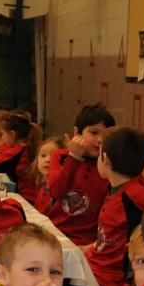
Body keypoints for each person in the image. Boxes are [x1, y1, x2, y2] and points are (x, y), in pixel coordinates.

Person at [85, 126, 144, 286]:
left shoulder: (137, 196)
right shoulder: (120, 189)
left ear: (105, 159)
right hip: (97, 274)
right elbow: (107, 240)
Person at [46, 103, 114, 244]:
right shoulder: (61, 156)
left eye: (105, 135)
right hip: (54, 234)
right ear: (77, 133)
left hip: (86, 242)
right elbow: (56, 192)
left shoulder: (108, 165)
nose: (100, 139)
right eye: (94, 133)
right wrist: (74, 157)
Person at [0, 111, 40, 203]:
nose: (2, 138)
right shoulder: (23, 149)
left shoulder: (17, 151)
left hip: (25, 197)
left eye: (3, 134)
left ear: (12, 134)